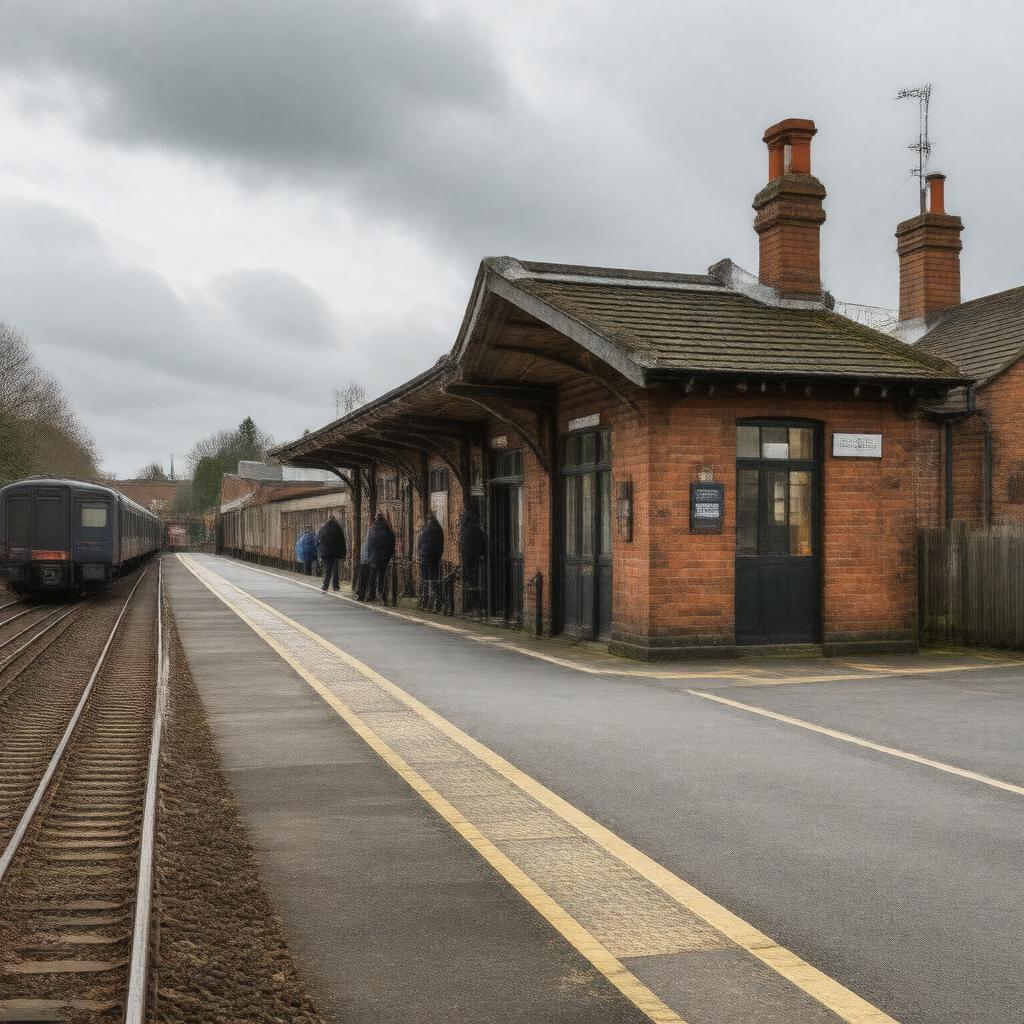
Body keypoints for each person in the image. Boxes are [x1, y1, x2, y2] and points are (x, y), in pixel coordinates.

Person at [457, 507, 486, 610]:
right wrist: (481, 554)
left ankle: (469, 604)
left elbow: (461, 546)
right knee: (476, 581)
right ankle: (477, 603)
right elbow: (481, 544)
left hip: (467, 559)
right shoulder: (477, 530)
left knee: (468, 581)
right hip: (477, 559)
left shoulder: (464, 531)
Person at [416, 510, 445, 609]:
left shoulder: (425, 529)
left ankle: (426, 599)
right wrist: (439, 555)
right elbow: (441, 543)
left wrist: (421, 552)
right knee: (434, 578)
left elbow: (419, 543)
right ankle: (436, 600)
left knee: (425, 578)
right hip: (435, 557)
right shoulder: (439, 529)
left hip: (425, 556)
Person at [367, 512, 396, 602]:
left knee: (372, 576)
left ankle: (371, 594)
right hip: (384, 557)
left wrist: (370, 556)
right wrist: (389, 555)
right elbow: (392, 544)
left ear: (376, 519)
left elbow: (369, 545)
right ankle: (382, 594)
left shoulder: (372, 530)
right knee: (382, 576)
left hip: (374, 557)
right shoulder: (388, 530)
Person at [316, 514, 346, 593]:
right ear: (335, 520)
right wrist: (343, 554)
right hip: (334, 552)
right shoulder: (337, 528)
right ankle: (335, 586)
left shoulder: (322, 528)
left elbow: (317, 540)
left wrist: (319, 550)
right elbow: (342, 542)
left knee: (327, 569)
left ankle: (325, 586)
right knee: (334, 570)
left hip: (324, 553)